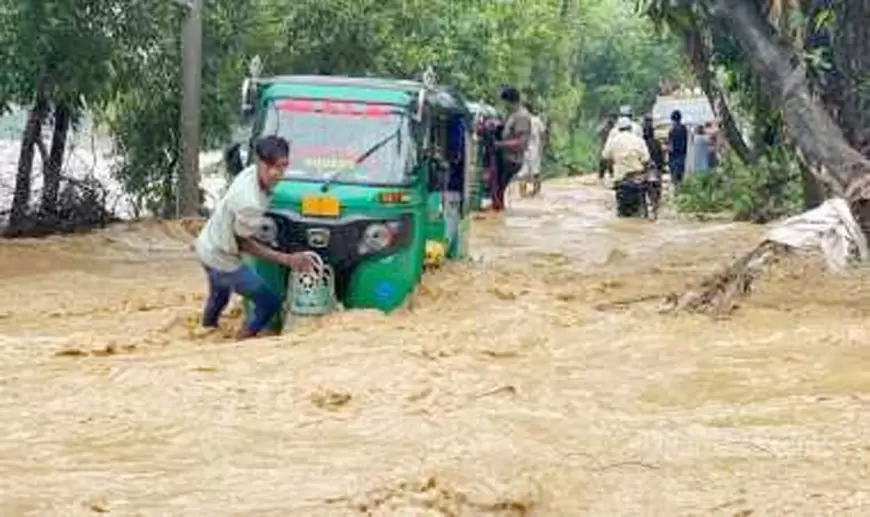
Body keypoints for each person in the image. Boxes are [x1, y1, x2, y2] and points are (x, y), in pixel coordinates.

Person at [195, 135, 315, 340]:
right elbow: (244, 243)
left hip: (206, 244)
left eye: (283, 166)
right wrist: (287, 259)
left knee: (219, 295)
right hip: (221, 258)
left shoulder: (250, 172)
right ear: (260, 162)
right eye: (271, 167)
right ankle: (243, 341)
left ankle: (206, 330)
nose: (277, 173)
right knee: (269, 302)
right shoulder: (249, 202)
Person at [602, 116, 651, 218]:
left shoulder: (613, 141)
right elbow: (646, 160)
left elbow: (605, 157)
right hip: (637, 179)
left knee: (622, 214)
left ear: (619, 129)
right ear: (630, 128)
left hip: (621, 180)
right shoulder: (639, 140)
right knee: (641, 212)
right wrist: (645, 174)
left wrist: (611, 172)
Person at [492, 86, 531, 211]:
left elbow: (522, 143)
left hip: (512, 160)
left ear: (510, 101)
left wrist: (499, 144)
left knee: (498, 190)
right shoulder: (513, 115)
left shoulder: (522, 117)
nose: (504, 105)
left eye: (505, 102)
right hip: (505, 157)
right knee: (497, 191)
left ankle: (498, 214)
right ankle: (498, 219)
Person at [518, 101, 547, 193]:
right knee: (522, 173)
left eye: (522, 109)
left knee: (535, 172)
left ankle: (536, 192)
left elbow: (544, 133)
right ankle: (523, 194)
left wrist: (542, 145)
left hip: (534, 149)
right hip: (523, 150)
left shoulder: (536, 120)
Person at [642, 115, 664, 220]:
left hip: (644, 172)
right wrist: (660, 169)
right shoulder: (656, 143)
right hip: (656, 171)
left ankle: (645, 213)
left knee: (643, 193)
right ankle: (655, 212)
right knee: (656, 194)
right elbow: (661, 158)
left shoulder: (641, 143)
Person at [667, 110, 689, 190]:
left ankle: (676, 191)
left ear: (673, 120)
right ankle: (680, 190)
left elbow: (671, 146)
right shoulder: (684, 129)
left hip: (674, 157)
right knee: (680, 176)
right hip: (682, 155)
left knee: (674, 177)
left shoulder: (672, 131)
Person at [597, 114, 616, 181]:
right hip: (604, 146)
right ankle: (602, 175)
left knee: (609, 162)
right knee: (603, 161)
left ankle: (611, 174)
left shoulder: (614, 129)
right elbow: (599, 133)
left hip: (610, 147)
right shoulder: (605, 128)